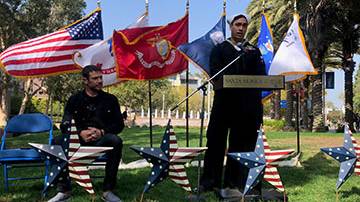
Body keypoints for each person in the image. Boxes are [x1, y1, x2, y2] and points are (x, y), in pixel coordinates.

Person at [200, 13, 266, 197]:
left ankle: (235, 183)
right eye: (238, 24)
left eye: (244, 25)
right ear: (231, 26)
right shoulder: (219, 50)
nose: (241, 28)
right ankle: (209, 182)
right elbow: (215, 75)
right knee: (215, 143)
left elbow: (261, 77)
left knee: (241, 145)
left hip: (246, 108)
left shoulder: (253, 52)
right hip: (224, 105)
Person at [49, 65, 124, 202]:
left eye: (100, 78)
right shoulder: (74, 99)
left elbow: (119, 125)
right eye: (95, 78)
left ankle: (108, 191)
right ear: (85, 81)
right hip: (78, 139)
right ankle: (63, 191)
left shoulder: (111, 99)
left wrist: (102, 132)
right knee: (57, 142)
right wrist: (79, 133)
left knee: (116, 141)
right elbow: (64, 125)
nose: (100, 81)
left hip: (101, 139)